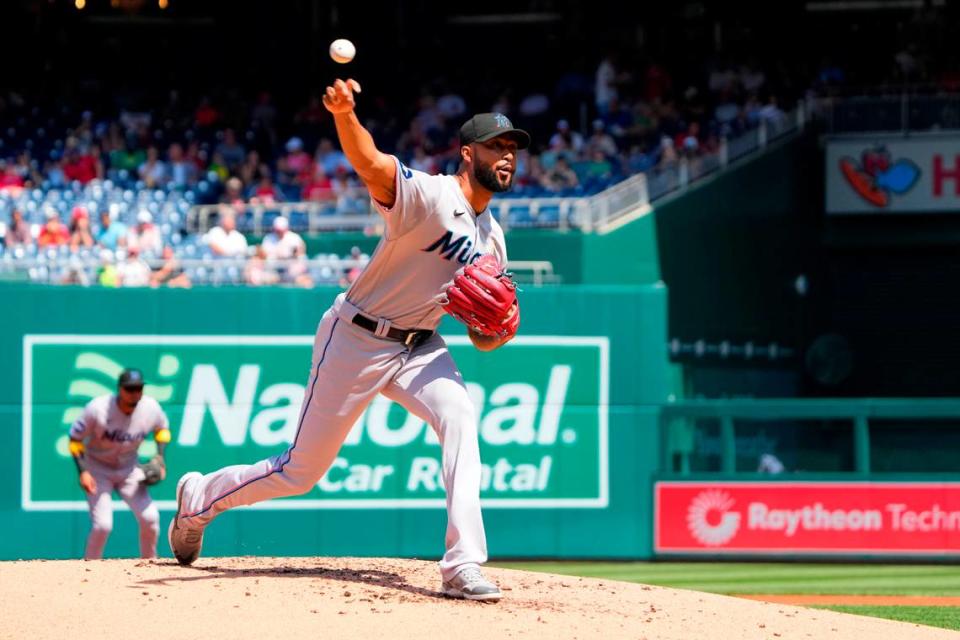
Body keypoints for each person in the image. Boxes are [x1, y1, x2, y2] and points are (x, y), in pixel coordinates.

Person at [169, 78, 529, 602]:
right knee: (299, 472)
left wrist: (497, 331)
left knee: (460, 416)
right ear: (468, 153)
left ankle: (462, 565)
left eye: (514, 149)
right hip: (358, 336)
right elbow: (372, 163)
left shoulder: (492, 238)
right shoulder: (430, 195)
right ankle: (200, 496)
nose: (509, 157)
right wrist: (343, 114)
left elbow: (481, 340)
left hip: (419, 345)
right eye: (499, 147)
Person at [68, 369, 171, 559]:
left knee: (150, 519)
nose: (135, 393)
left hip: (129, 469)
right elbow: (75, 439)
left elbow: (162, 429)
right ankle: (90, 568)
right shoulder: (97, 409)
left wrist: (160, 457)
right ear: (120, 389)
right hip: (97, 469)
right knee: (102, 526)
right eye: (130, 389)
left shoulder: (150, 408)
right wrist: (83, 471)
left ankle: (150, 563)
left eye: (138, 388)